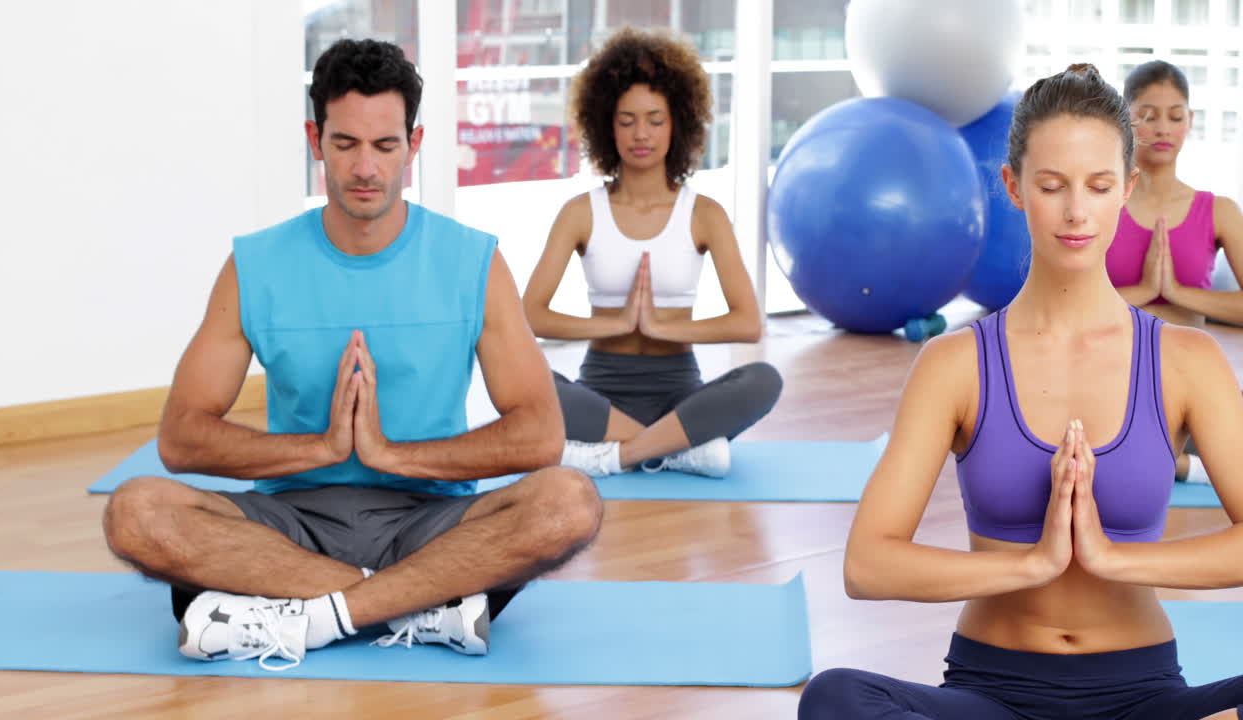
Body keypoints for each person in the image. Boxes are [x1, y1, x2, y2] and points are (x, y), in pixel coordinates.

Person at [101, 39, 602, 671]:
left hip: (431, 520)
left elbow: (540, 435)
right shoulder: (255, 265)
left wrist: (391, 455)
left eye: (385, 146)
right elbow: (181, 437)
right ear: (315, 140)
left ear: (413, 147)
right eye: (346, 144)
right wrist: (321, 449)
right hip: (290, 523)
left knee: (568, 500)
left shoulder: (473, 261)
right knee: (136, 510)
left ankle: (302, 612)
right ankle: (417, 607)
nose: (366, 168)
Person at [799, 64, 1243, 719]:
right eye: (1051, 185)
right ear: (1014, 187)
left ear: (1126, 187)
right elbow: (868, 564)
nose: (1075, 212)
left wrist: (1108, 560)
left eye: (1097, 186)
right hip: (993, 693)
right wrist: (1031, 565)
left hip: (1142, 695)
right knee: (835, 698)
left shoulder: (1186, 361)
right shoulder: (955, 363)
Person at [522, 27, 782, 479]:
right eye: (626, 120)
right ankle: (678, 450)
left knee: (765, 380)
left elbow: (747, 323)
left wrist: (660, 326)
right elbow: (530, 315)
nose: (641, 134)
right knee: (523, 383)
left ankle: (617, 455)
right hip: (599, 391)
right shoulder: (580, 213)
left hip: (679, 393)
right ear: (606, 124)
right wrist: (615, 323)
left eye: (655, 119)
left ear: (677, 123)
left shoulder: (705, 215)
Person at [1107, 59, 1243, 485]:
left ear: (1190, 122)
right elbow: (1064, 299)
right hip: (1112, 376)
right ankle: (1186, 467)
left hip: (1190, 376)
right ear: (1125, 123)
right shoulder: (1102, 204)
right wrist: (1147, 289)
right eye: (1147, 116)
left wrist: (1177, 292)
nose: (1163, 129)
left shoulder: (1219, 210)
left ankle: (1178, 462)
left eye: (1175, 116)